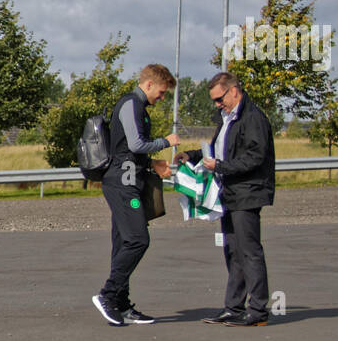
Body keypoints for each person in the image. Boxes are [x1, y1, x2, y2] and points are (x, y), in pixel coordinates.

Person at [177, 71, 275, 327]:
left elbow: (255, 157)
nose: (217, 104)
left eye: (220, 99)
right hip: (229, 193)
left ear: (234, 91)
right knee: (232, 251)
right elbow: (220, 151)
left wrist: (221, 166)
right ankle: (233, 307)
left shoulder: (252, 118)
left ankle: (258, 311)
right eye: (215, 101)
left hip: (248, 193)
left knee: (249, 251)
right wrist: (193, 155)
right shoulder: (227, 118)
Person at [93, 64, 178, 326]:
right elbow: (135, 144)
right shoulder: (131, 104)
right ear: (149, 84)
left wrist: (152, 164)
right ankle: (107, 294)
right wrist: (167, 141)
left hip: (128, 181)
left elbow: (128, 151)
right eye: (162, 92)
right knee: (138, 239)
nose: (162, 98)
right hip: (123, 185)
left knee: (123, 243)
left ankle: (121, 304)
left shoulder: (138, 107)